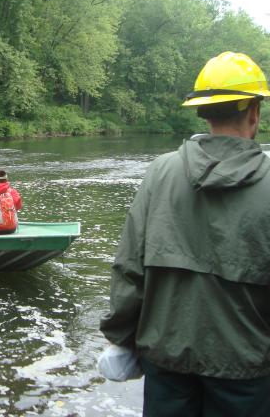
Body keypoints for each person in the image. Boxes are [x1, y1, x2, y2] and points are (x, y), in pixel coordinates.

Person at [99, 51, 270, 416]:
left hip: (165, 362)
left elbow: (129, 267)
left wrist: (121, 339)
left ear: (203, 112)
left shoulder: (159, 173)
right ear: (255, 112)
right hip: (247, 370)